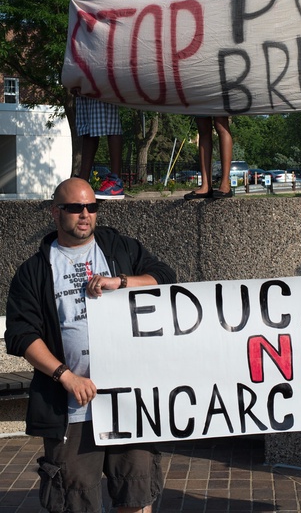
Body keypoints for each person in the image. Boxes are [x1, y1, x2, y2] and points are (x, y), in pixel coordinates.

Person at [4, 177, 176, 513]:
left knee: (136, 491)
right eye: (74, 208)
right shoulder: (34, 270)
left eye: (91, 207)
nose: (85, 214)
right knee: (74, 497)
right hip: (70, 408)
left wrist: (122, 282)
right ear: (56, 212)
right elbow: (22, 334)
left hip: (128, 400)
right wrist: (66, 377)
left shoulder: (119, 249)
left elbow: (165, 276)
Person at [70, 0, 125, 199]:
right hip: (89, 70)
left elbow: (106, 30)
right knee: (89, 128)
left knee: (110, 124)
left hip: (104, 71)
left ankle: (115, 178)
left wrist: (78, 4)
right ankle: (83, 178)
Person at [181, 0, 233, 200]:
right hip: (198, 68)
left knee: (221, 124)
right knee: (203, 127)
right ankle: (205, 184)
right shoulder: (186, 2)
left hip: (218, 67)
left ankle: (225, 183)